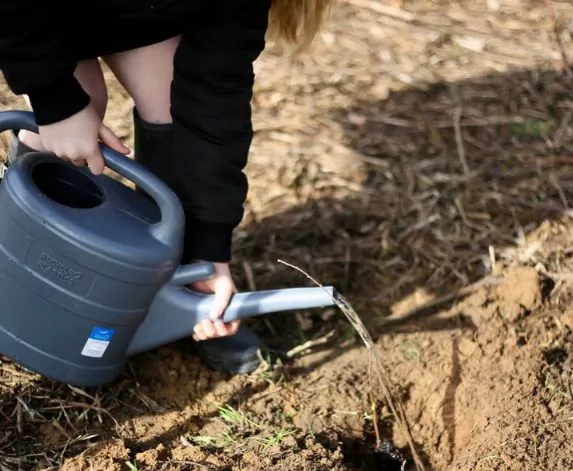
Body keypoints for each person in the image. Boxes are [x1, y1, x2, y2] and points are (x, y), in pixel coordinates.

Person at [0, 0, 333, 374]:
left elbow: (216, 95)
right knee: (84, 101)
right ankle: (16, 272)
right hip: (33, 16)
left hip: (137, 11)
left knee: (173, 103)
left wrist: (207, 251)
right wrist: (55, 100)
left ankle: (169, 291)